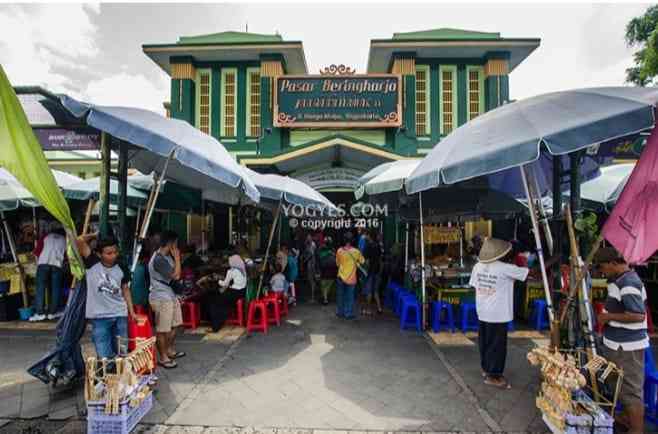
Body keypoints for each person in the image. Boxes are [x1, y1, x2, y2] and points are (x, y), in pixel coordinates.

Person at [595, 247, 648, 434]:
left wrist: (607, 318)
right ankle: (626, 419)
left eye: (603, 267)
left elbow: (637, 315)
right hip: (617, 344)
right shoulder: (619, 280)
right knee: (621, 387)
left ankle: (637, 429)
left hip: (627, 347)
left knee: (631, 391)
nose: (602, 271)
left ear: (613, 263)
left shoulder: (629, 282)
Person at [469, 237, 529, 389]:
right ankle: (494, 376)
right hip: (498, 313)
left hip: (482, 311)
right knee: (497, 345)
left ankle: (486, 369)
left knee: (485, 342)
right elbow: (527, 273)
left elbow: (474, 286)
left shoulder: (478, 266)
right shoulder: (504, 268)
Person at [77, 234, 139, 360]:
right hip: (99, 317)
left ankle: (121, 376)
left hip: (120, 313)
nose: (113, 255)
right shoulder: (91, 262)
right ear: (99, 254)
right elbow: (79, 240)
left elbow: (125, 289)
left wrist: (132, 312)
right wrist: (94, 235)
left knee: (122, 352)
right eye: (108, 253)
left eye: (115, 252)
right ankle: (107, 378)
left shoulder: (121, 266)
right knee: (104, 354)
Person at [148, 231, 185, 369]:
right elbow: (176, 276)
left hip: (170, 296)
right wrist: (177, 258)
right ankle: (163, 357)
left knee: (176, 324)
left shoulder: (165, 257)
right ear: (170, 244)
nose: (177, 246)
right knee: (162, 329)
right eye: (175, 243)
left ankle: (169, 350)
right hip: (161, 297)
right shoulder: (158, 260)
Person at [30, 223, 67, 321]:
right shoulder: (65, 240)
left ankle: (40, 313)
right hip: (57, 265)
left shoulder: (46, 237)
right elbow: (67, 255)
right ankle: (52, 313)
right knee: (56, 289)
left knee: (40, 288)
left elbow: (37, 252)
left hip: (43, 263)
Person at [206, 251, 247, 332]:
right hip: (242, 293)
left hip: (234, 293)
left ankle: (216, 326)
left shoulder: (231, 271)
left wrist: (217, 280)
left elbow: (224, 284)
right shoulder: (243, 270)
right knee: (220, 299)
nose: (228, 263)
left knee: (215, 303)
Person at [335, 232, 365, 320]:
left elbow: (337, 263)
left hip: (340, 276)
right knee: (350, 297)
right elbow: (362, 261)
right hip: (351, 278)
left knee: (340, 296)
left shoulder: (339, 251)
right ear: (352, 241)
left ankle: (340, 312)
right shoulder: (356, 252)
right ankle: (348, 313)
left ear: (344, 240)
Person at [362, 231, 383, 315]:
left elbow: (366, 261)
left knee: (369, 291)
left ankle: (368, 309)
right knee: (376, 291)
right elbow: (380, 259)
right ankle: (379, 308)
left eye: (366, 235)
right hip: (377, 270)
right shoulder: (378, 245)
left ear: (369, 236)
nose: (365, 236)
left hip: (370, 271)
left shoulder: (367, 246)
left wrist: (365, 271)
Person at [318, 236, 337, 305]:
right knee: (328, 285)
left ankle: (325, 298)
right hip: (331, 270)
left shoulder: (321, 249)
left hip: (324, 270)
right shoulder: (333, 250)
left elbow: (318, 259)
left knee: (324, 285)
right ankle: (325, 297)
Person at [302, 234, 318, 302]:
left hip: (311, 264)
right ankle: (313, 296)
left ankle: (313, 297)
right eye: (307, 238)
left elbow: (311, 254)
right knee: (310, 280)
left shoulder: (312, 244)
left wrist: (305, 260)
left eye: (309, 238)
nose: (307, 239)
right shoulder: (308, 244)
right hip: (310, 264)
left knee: (311, 280)